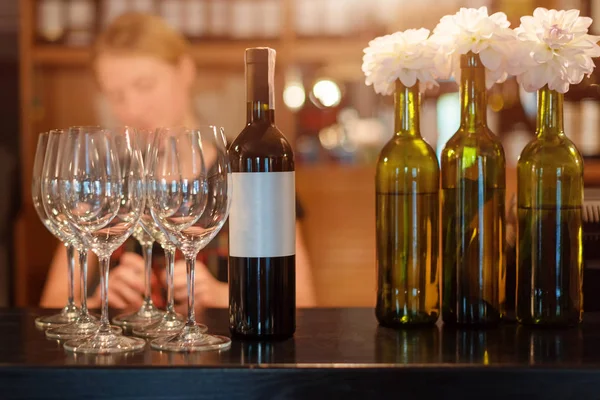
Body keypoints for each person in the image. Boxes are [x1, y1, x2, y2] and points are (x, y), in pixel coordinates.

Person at [39, 12, 317, 312]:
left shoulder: (250, 176)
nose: (132, 108)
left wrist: (223, 295)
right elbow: (52, 304)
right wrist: (99, 302)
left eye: (144, 85)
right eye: (115, 95)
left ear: (185, 71)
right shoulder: (102, 181)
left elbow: (303, 303)